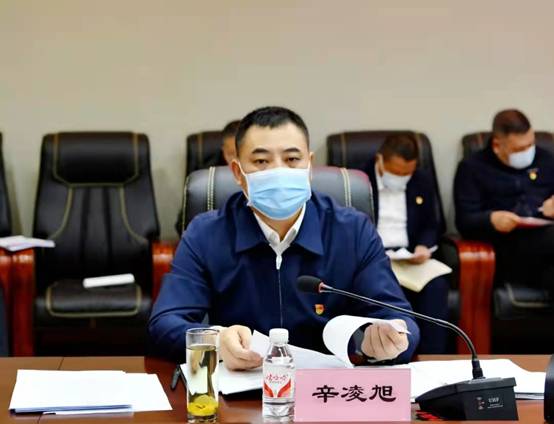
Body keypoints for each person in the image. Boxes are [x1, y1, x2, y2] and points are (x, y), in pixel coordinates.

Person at [151, 106, 420, 369]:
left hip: (328, 390)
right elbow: (164, 324)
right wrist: (216, 342)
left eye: (292, 159)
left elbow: (401, 322)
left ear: (309, 166)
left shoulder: (352, 231)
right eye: (261, 161)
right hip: (243, 388)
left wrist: (387, 343)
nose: (278, 171)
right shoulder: (206, 233)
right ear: (238, 173)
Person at [364, 134, 449, 353]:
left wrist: (423, 246)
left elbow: (432, 225)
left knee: (436, 286)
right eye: (397, 172)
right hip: (375, 257)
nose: (402, 178)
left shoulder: (421, 180)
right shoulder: (359, 180)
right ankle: (392, 356)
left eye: (407, 173)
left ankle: (432, 359)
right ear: (380, 159)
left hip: (409, 258)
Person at [454, 109, 554, 288]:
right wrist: (491, 218)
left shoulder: (546, 159)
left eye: (530, 144)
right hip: (505, 248)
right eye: (519, 149)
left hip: (546, 249)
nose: (528, 152)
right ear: (497, 145)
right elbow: (464, 220)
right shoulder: (472, 168)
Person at [175, 120, 241, 235]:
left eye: (241, 154)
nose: (236, 161)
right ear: (223, 150)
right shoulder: (207, 177)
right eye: (231, 154)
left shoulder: (261, 174)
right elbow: (183, 223)